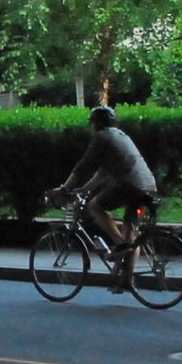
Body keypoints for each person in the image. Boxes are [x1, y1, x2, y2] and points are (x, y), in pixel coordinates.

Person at [45, 105, 156, 266]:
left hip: (129, 186)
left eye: (91, 123)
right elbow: (103, 172)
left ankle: (120, 244)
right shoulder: (121, 136)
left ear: (96, 123)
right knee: (131, 235)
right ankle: (126, 280)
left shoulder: (101, 137)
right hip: (148, 186)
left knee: (94, 207)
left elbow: (83, 166)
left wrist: (64, 188)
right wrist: (84, 189)